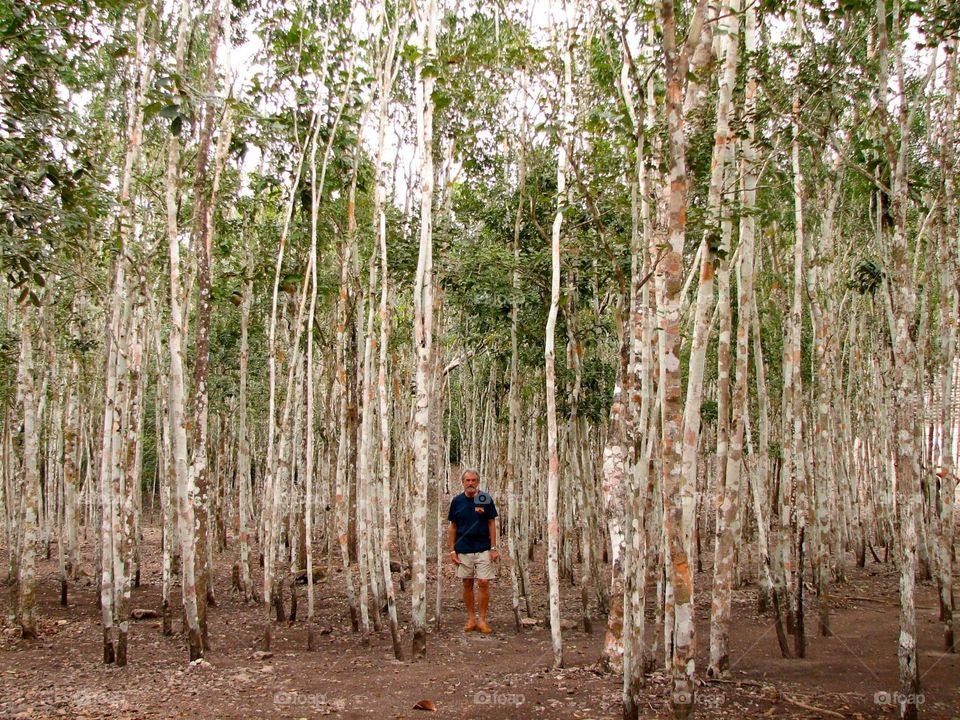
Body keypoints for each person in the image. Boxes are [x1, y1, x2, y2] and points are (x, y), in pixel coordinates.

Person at [447, 468, 499, 633]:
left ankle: (482, 620)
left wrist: (493, 547)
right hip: (463, 548)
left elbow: (491, 523)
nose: (470, 483)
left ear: (478, 482)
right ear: (462, 482)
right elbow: (453, 526)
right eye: (467, 480)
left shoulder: (484, 498)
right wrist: (452, 550)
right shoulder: (457, 501)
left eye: (473, 480)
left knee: (483, 582)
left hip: (483, 546)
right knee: (467, 582)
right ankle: (471, 619)